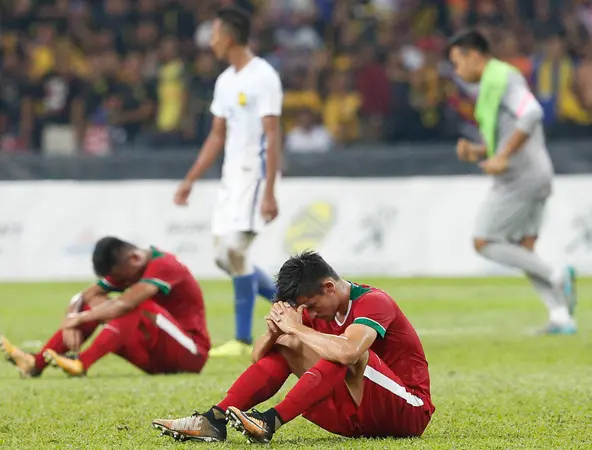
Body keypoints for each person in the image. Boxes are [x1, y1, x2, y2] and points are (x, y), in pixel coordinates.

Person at [152, 251, 434, 444]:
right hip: (354, 419)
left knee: (341, 350)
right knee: (290, 344)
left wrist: (297, 328)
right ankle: (213, 419)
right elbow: (258, 358)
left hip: (407, 411)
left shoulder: (374, 301)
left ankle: (270, 422)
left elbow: (349, 352)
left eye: (310, 305)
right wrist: (274, 334)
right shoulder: (313, 309)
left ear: (329, 287)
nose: (308, 311)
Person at [445, 29, 577, 334]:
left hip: (522, 177)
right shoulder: (491, 85)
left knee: (484, 241)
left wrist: (502, 155)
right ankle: (561, 316)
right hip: (531, 174)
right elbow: (507, 134)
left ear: (474, 55)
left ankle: (557, 273)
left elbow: (531, 114)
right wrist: (478, 150)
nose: (457, 71)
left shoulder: (504, 77)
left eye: (457, 62)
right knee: (522, 249)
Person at [173, 7, 283, 357]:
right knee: (225, 257)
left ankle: (241, 339)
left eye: (216, 34)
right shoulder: (225, 81)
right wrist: (191, 178)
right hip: (230, 177)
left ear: (231, 37)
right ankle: (293, 303)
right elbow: (217, 135)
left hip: (255, 174)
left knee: (236, 251)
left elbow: (273, 134)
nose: (211, 40)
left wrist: (270, 190)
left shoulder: (263, 76)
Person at [0, 237, 210, 377]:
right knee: (100, 305)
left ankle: (82, 363)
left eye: (117, 276)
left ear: (134, 258)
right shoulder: (131, 267)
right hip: (155, 359)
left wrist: (81, 319)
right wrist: (71, 320)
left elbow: (125, 303)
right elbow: (85, 296)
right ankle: (34, 364)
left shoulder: (164, 265)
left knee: (132, 304)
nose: (115, 281)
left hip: (191, 354)